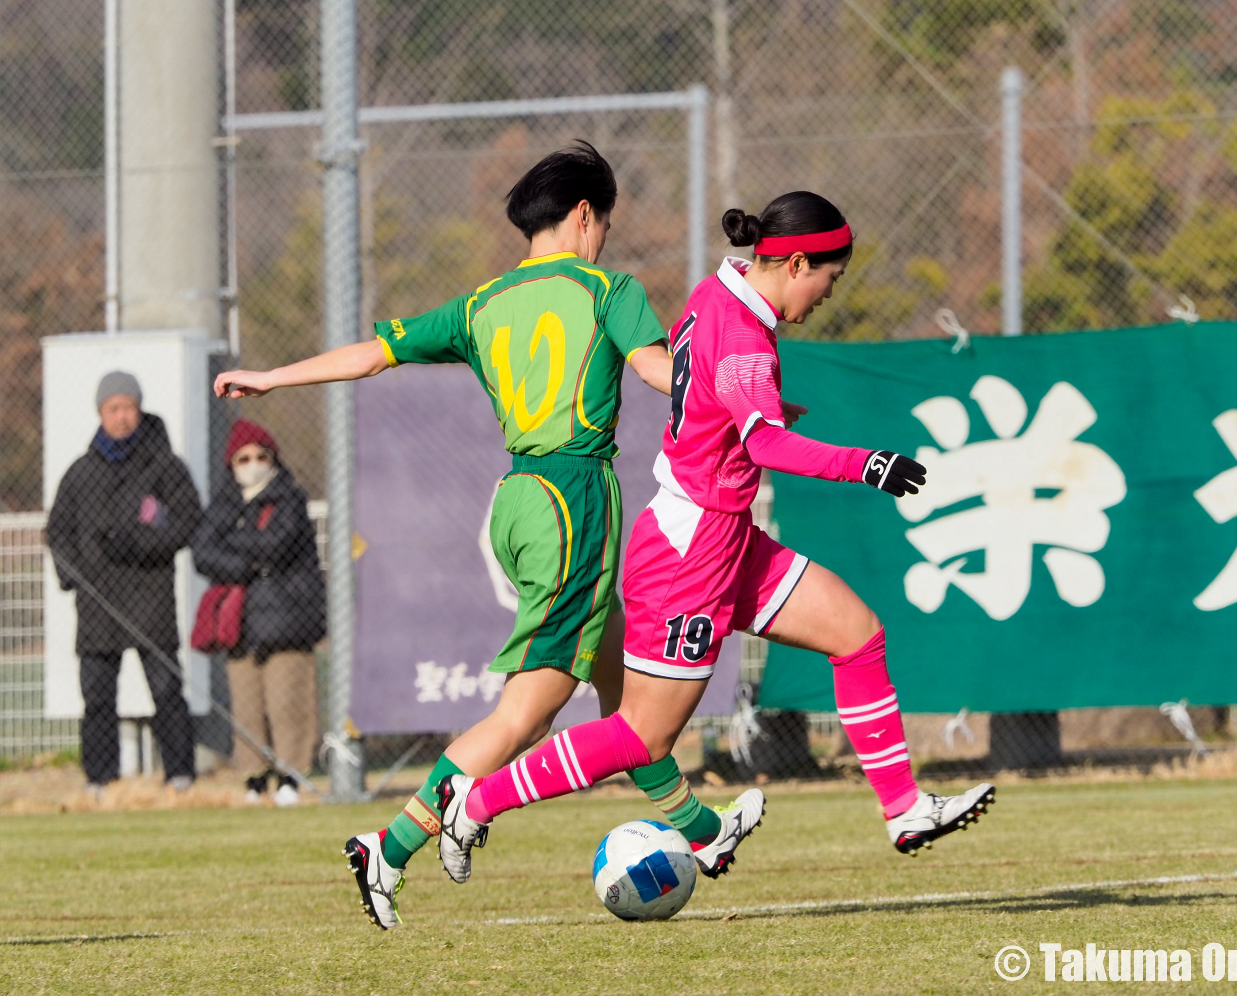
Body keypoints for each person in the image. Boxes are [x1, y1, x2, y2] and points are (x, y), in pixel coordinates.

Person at [213, 142, 762, 929]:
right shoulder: (609, 288)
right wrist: (744, 394)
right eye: (603, 222)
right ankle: (390, 846)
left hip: (516, 501)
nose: (603, 237)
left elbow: (374, 354)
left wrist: (269, 377)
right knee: (523, 718)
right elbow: (653, 370)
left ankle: (701, 834)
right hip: (574, 500)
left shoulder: (481, 303)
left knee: (620, 692)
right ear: (583, 217)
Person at [434, 192, 997, 873]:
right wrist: (867, 464)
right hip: (691, 549)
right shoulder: (745, 336)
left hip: (724, 534)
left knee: (857, 634)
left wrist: (742, 406)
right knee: (640, 737)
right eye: (829, 277)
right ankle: (474, 803)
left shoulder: (716, 291)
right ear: (795, 263)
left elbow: (695, 383)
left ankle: (904, 809)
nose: (826, 293)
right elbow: (768, 448)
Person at [46, 371, 203, 795]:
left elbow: (187, 520)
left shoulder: (164, 466)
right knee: (97, 695)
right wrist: (74, 575)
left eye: (128, 407)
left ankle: (180, 775)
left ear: (140, 409)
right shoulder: (80, 473)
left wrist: (139, 543)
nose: (121, 416)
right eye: (113, 408)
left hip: (150, 596)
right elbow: (57, 531)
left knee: (166, 688)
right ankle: (99, 779)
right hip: (97, 602)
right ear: (100, 412)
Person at [192, 419, 326, 806]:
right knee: (247, 705)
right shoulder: (224, 503)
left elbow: (277, 546)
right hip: (241, 624)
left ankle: (291, 776)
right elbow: (202, 551)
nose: (252, 464)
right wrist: (247, 563)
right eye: (243, 458)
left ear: (273, 459)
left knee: (288, 702)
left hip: (287, 619)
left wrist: (231, 543)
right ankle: (254, 777)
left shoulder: (289, 498)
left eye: (260, 456)